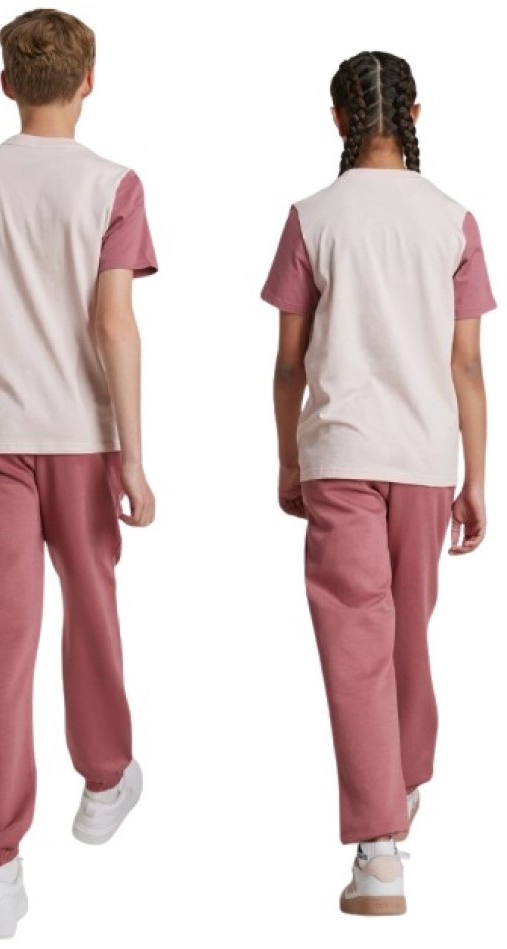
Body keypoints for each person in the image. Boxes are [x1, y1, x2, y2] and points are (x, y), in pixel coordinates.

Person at [0, 8, 158, 939]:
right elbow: (113, 325)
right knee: (91, 609)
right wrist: (132, 454)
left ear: (6, 84)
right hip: (81, 437)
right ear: (89, 81)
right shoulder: (112, 184)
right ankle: (103, 779)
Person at [260, 50, 497, 917]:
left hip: (342, 455)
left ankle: (381, 844)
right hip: (426, 459)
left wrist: (288, 458)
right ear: (416, 115)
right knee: (403, 637)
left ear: (338, 120)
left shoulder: (312, 217)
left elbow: (290, 363)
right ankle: (395, 802)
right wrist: (477, 477)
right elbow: (466, 365)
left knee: (360, 647)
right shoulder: (453, 220)